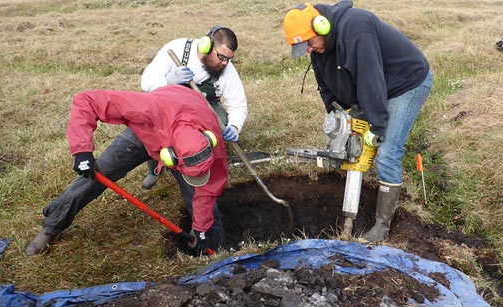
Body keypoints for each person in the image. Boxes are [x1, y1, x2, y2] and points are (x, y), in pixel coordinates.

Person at [283, 1, 433, 242]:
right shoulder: (320, 48)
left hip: (405, 83)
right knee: (354, 149)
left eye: (308, 43)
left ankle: (382, 227)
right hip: (375, 89)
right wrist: (338, 119)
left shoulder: (356, 28)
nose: (308, 50)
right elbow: (325, 85)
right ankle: (353, 217)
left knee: (386, 151)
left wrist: (378, 127)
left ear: (321, 27)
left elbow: (370, 79)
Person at [25, 84, 228, 256]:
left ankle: (213, 253)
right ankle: (51, 227)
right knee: (98, 173)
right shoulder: (146, 109)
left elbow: (208, 190)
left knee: (203, 204)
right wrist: (81, 150)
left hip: (185, 123)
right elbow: (87, 100)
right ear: (170, 158)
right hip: (146, 130)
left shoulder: (212, 141)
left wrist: (200, 229)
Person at [139, 26, 248, 189]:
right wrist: (169, 80)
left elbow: (238, 104)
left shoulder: (226, 68)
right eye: (221, 57)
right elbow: (146, 82)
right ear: (206, 46)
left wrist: (234, 126)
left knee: (221, 121)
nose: (225, 63)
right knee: (151, 126)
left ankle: (202, 164)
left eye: (228, 58)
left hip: (204, 108)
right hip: (171, 106)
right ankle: (154, 168)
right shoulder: (176, 49)